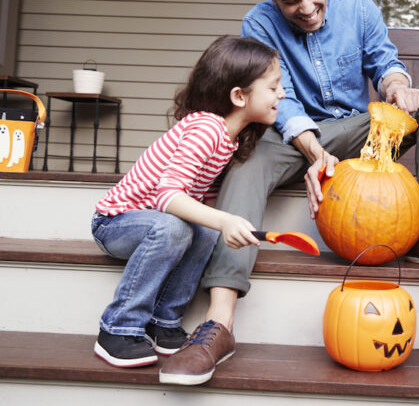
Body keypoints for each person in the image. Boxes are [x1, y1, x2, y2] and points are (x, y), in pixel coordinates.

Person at [160, 0, 419, 385]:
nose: (308, 8)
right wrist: (313, 150)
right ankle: (220, 322)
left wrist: (395, 87)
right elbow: (282, 102)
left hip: (359, 127)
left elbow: (384, 62)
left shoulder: (358, 7)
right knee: (245, 166)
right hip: (293, 136)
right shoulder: (259, 24)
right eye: (292, 1)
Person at [91, 36, 284, 371]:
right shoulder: (206, 128)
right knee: (175, 226)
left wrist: (222, 226)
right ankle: (117, 329)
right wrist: (224, 219)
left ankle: (163, 322)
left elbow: (202, 198)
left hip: (157, 226)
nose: (281, 94)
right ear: (239, 96)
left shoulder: (229, 138)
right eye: (273, 87)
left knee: (204, 231)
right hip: (115, 222)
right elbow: (168, 195)